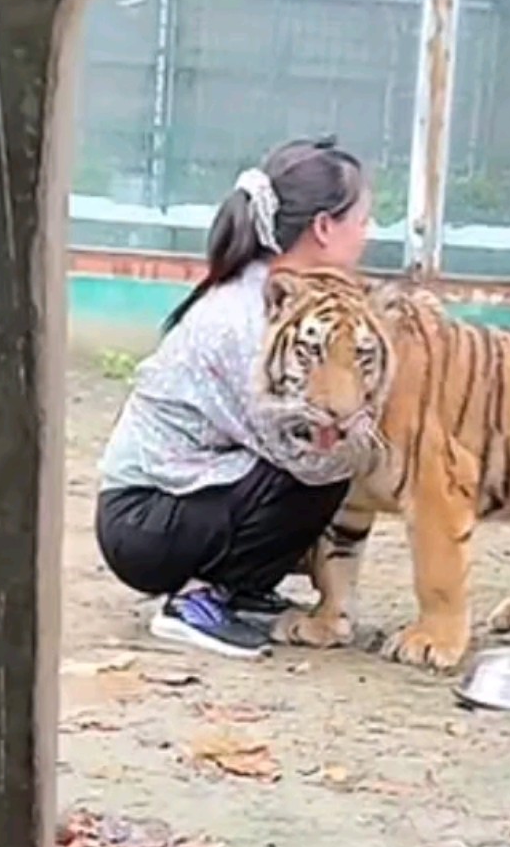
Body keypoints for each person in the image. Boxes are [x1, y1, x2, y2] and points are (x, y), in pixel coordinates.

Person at [94, 136, 375, 659]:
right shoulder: (247, 315)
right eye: (361, 220)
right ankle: (195, 602)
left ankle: (238, 588)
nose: (368, 234)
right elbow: (307, 458)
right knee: (320, 462)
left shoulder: (281, 292)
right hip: (144, 523)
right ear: (323, 227)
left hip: (178, 508)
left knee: (329, 451)